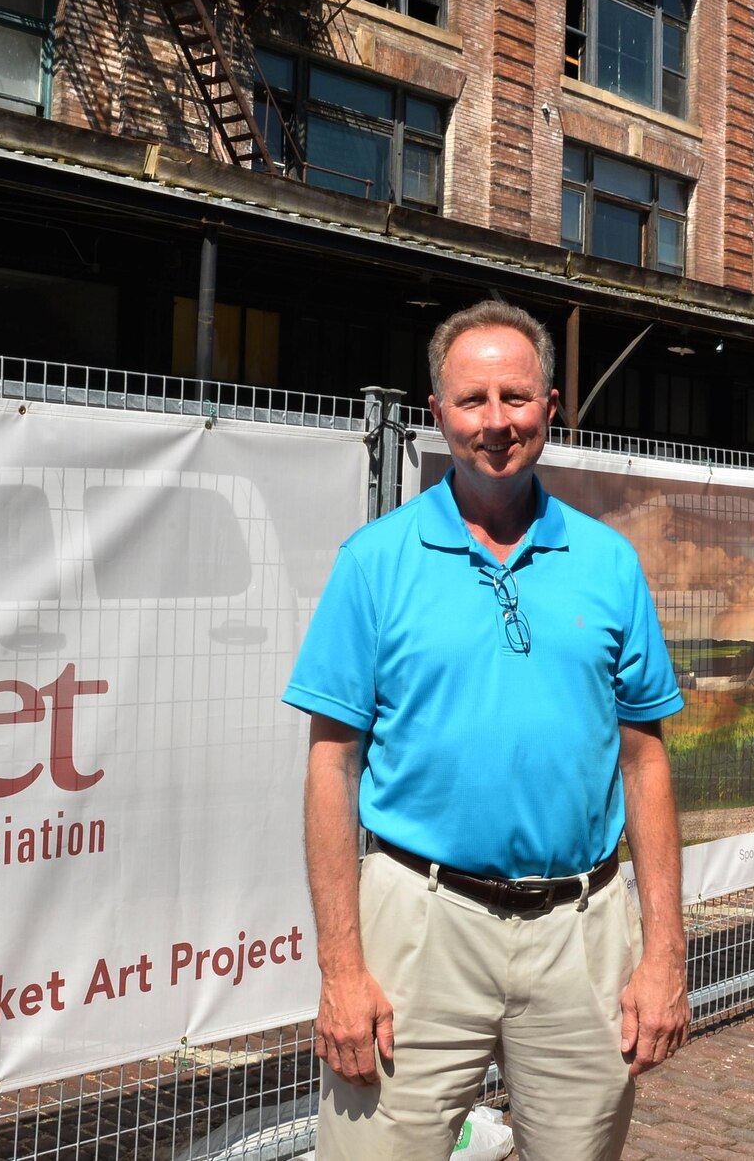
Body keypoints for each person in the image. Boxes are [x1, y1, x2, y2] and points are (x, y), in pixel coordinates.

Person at [282, 300, 688, 1161]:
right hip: (417, 926)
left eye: (516, 397)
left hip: (582, 930)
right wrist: (341, 970)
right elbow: (331, 767)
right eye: (473, 400)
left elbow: (645, 764)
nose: (495, 422)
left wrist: (665, 957)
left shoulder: (608, 562)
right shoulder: (376, 562)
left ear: (551, 405)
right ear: (438, 414)